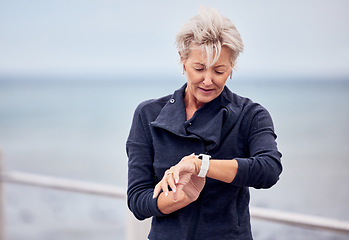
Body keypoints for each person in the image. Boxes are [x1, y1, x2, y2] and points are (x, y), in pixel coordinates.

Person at [126, 7, 282, 240]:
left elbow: (268, 170)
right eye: (199, 68)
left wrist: (202, 166)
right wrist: (180, 196)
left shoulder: (251, 115)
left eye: (219, 71)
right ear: (183, 59)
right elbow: (138, 200)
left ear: (232, 68)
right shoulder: (148, 114)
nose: (208, 80)